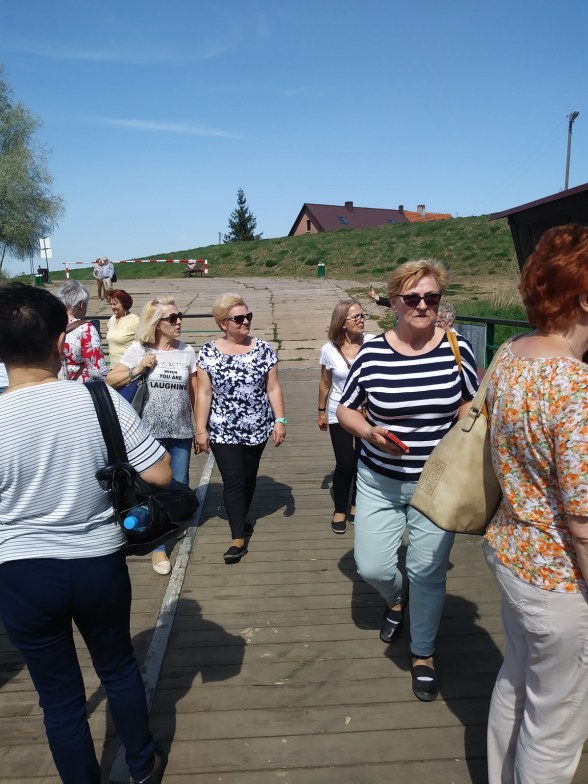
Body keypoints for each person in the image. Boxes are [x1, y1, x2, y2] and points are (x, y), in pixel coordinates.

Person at [0, 283, 172, 784]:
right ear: (61, 343)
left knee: (58, 699)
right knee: (117, 668)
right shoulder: (98, 399)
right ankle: (142, 766)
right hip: (97, 562)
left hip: (21, 575)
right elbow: (160, 473)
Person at [337, 259, 478, 701]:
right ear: (394, 301)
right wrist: (368, 432)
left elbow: (470, 404)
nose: (422, 305)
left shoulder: (457, 348)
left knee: (428, 573)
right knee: (373, 566)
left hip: (436, 484)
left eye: (431, 297)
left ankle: (423, 654)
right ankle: (396, 599)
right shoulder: (372, 353)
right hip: (379, 480)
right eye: (412, 298)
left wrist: (463, 432)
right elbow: (346, 408)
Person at [483, 224, 588, 784]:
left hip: (511, 555)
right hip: (560, 579)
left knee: (517, 681)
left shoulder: (510, 354)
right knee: (557, 723)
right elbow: (583, 520)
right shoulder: (574, 385)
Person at [107, 296, 198, 575]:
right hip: (147, 434)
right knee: (154, 487)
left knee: (180, 482)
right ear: (157, 324)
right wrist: (138, 368)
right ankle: (158, 546)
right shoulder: (140, 349)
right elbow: (111, 380)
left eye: (179, 316)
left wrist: (200, 428)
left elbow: (194, 392)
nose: (179, 321)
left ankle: (173, 525)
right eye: (173, 318)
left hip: (181, 430)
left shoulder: (187, 351)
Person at [195, 293, 286, 564]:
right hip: (222, 428)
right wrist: (200, 429)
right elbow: (204, 393)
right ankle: (237, 538)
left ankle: (241, 516)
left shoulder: (264, 349)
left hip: (257, 426)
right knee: (233, 480)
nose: (245, 321)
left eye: (248, 316)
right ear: (223, 323)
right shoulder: (208, 352)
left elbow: (273, 388)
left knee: (248, 477)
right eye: (239, 318)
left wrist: (280, 420)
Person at [318, 300, 374, 534]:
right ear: (342, 323)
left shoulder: (373, 343)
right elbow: (325, 383)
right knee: (345, 462)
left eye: (362, 315)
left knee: (363, 461)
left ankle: (355, 505)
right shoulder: (329, 349)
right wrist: (321, 411)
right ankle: (339, 509)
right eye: (356, 317)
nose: (361, 320)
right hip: (338, 412)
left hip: (368, 412)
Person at [55, 280, 108, 382]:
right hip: (78, 387)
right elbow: (97, 372)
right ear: (81, 305)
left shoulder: (48, 326)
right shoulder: (86, 329)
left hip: (52, 385)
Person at [106, 289, 140, 367]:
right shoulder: (112, 319)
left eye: (115, 304)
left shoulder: (135, 320)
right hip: (113, 367)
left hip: (129, 368)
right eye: (111, 304)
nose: (112, 307)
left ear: (124, 303)